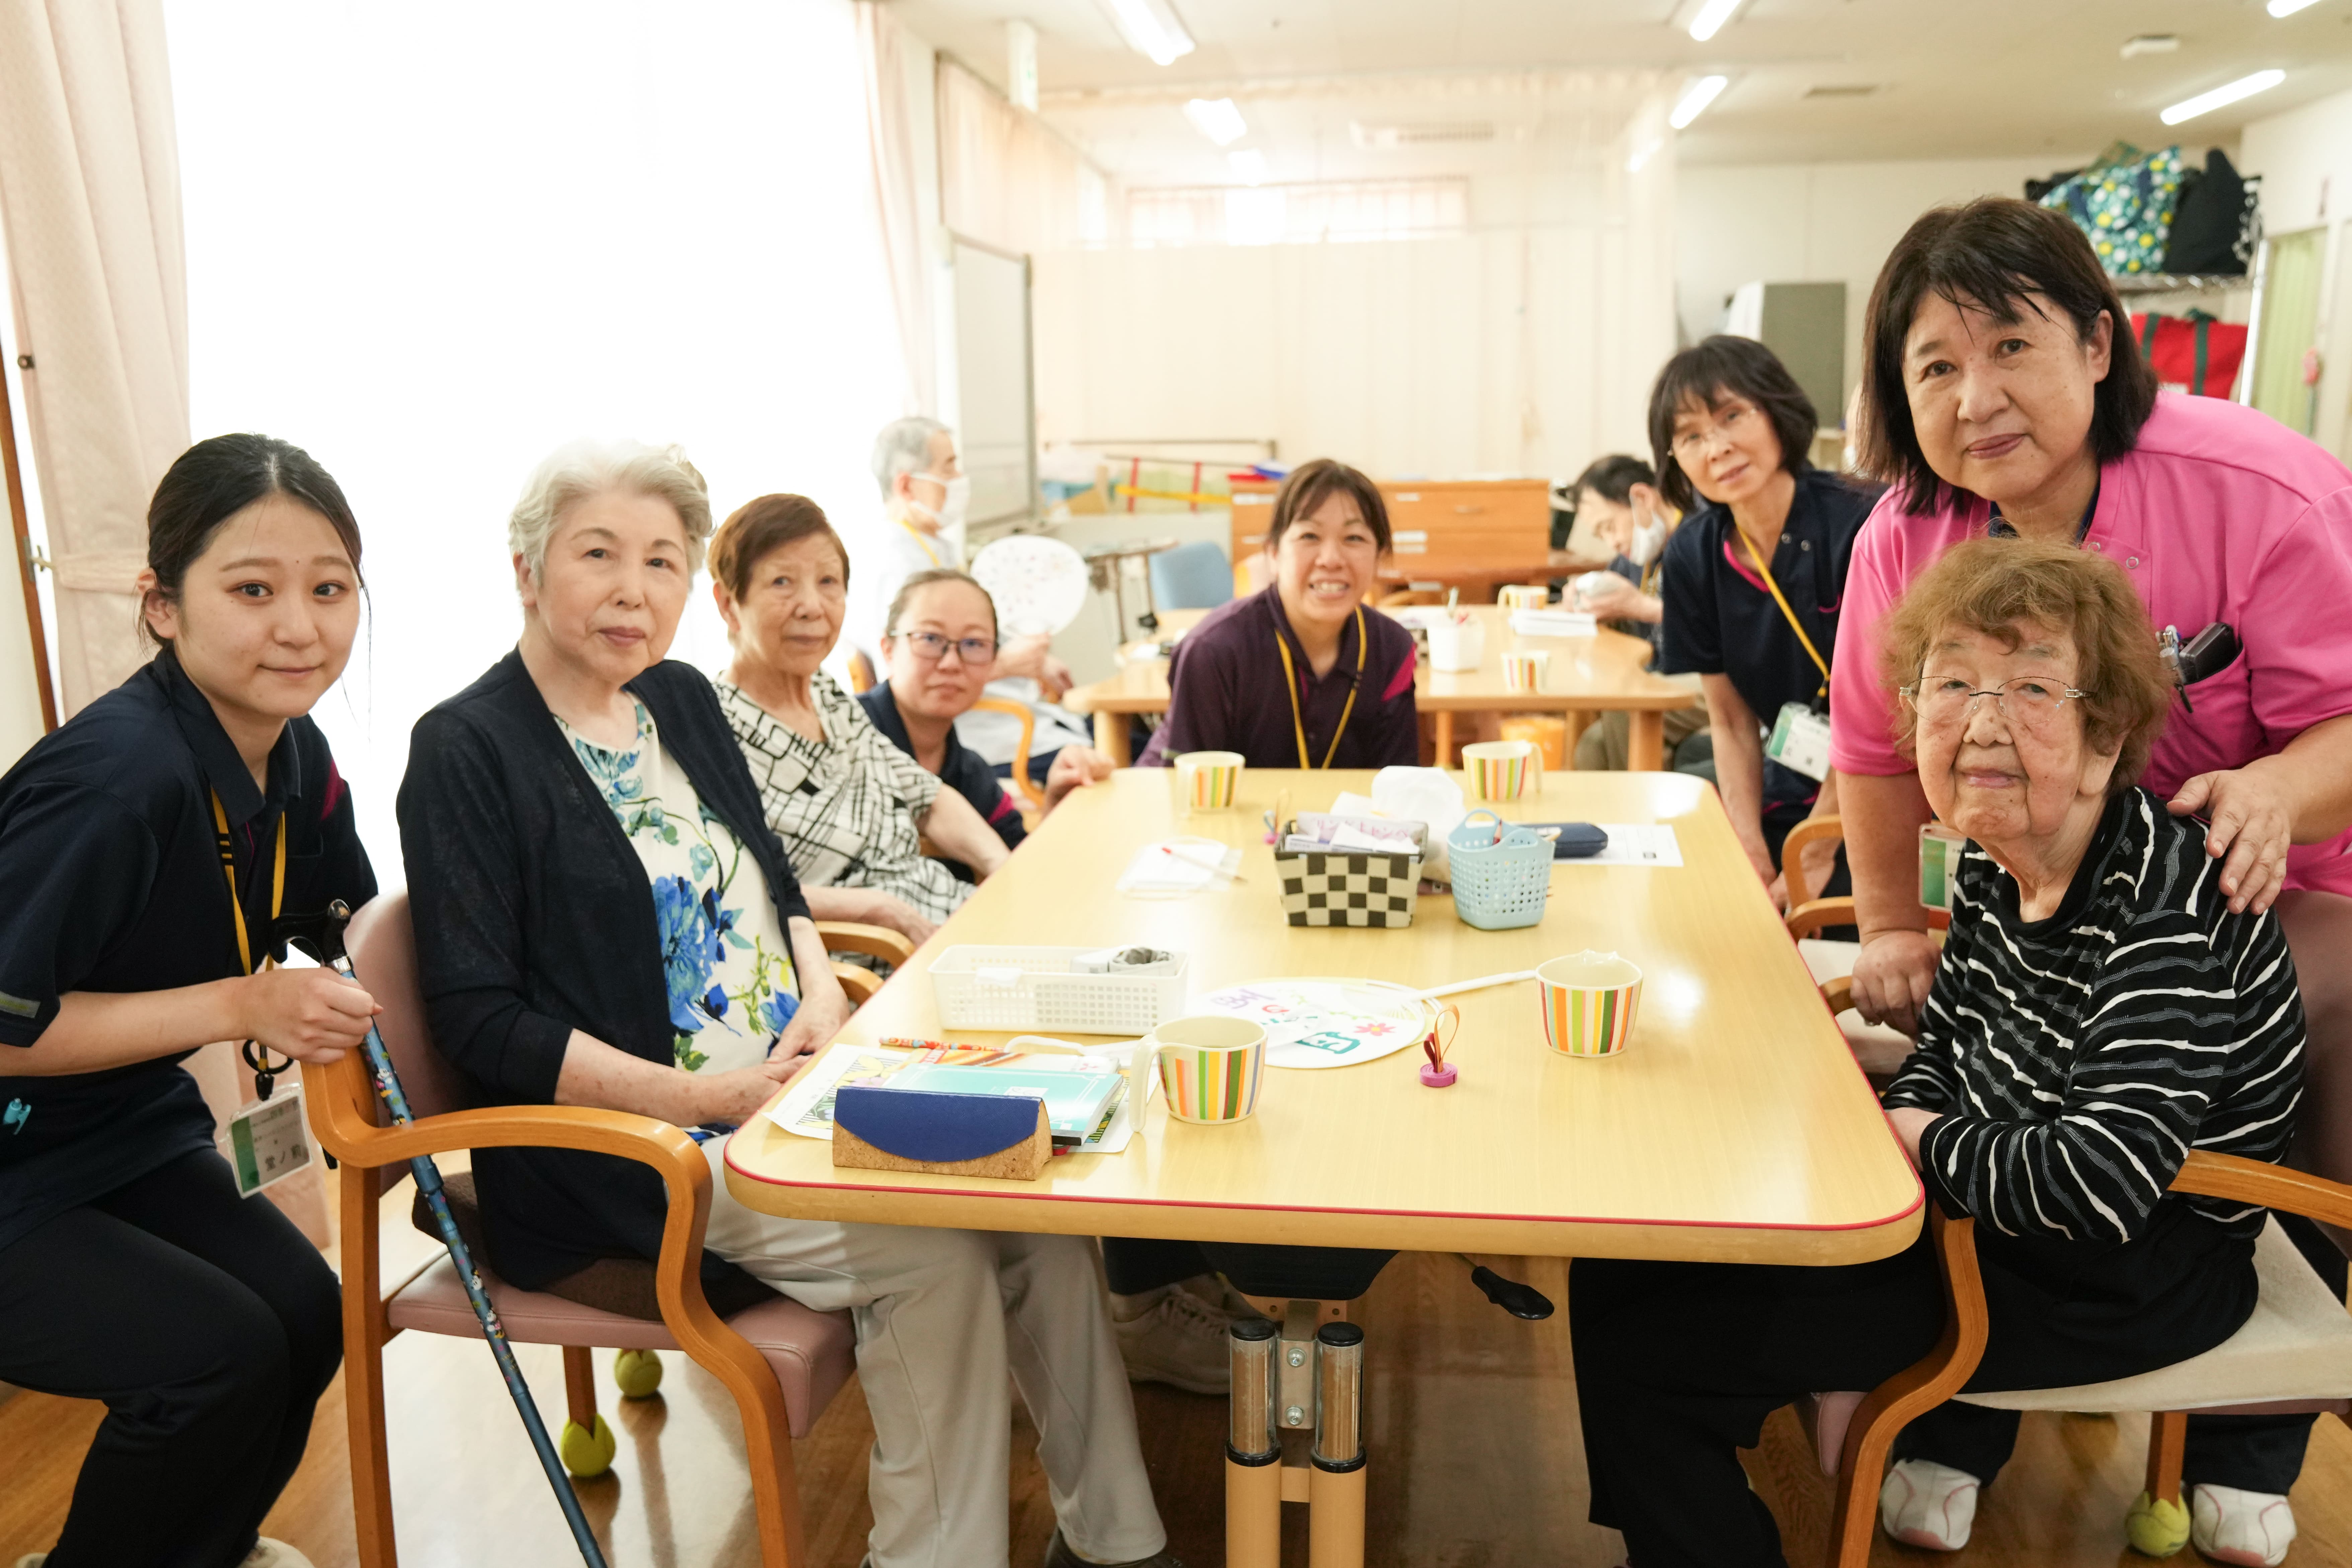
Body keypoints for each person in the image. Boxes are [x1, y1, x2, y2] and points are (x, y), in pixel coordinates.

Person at [399, 439, 1177, 1568]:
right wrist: (702, 1092)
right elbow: (481, 1019)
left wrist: (819, 993)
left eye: (661, 561)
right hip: (644, 1150)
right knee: (936, 1257)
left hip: (806, 1087)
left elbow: (769, 873)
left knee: (1040, 1217)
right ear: (527, 570)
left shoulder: (673, 699)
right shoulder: (466, 747)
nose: (633, 588)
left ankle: (1116, 1542)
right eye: (598, 555)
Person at [1571, 538, 2305, 1568]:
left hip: (2122, 1275)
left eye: (2031, 687)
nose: (1980, 722)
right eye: (1949, 685)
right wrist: (1915, 1125)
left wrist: (1914, 1140)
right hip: (1991, 1219)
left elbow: (2097, 1186)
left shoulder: (2163, 905)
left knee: (1647, 1352)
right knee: (1622, 1256)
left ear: (2105, 737)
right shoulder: (1995, 861)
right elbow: (1942, 1056)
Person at [1831, 195, 2352, 1561]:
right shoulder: (1905, 532)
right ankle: (1961, 1411)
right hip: (2049, 879)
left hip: (2278, 880)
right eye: (1934, 364)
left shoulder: (2259, 489)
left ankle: (2253, 1433)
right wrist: (1888, 921)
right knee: (1997, 1068)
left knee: (2275, 1109)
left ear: (2102, 345)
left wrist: (2272, 791)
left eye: (2011, 345)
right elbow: (1876, 749)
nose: (1975, 394)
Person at [0, 435, 379, 1568]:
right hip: (16, 1155)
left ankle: (205, 1554)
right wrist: (235, 1004)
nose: (299, 626)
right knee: (208, 1356)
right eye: (251, 589)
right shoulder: (116, 782)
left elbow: (345, 923)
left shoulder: (292, 750)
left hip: (112, 1132)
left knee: (306, 1317)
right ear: (162, 605)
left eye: (329, 588)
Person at [710, 493, 1016, 949]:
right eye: (781, 582)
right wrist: (880, 909)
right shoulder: (712, 729)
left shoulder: (830, 701)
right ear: (729, 603)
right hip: (870, 958)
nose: (812, 606)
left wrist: (1002, 868)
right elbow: (732, 887)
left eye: (828, 581)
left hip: (946, 923)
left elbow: (927, 795)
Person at [1652, 337, 1882, 910]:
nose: (1718, 447)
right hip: (1794, 780)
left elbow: (1882, 716)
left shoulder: (1862, 522)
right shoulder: (1691, 554)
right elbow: (1729, 723)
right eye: (1691, 435)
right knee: (1707, 889)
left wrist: (1815, 850)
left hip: (1888, 789)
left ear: (1777, 412)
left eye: (1732, 416)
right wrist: (1748, 846)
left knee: (1826, 924)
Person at [845, 417, 1093, 789]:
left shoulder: (928, 548)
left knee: (1127, 738)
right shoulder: (896, 567)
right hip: (982, 740)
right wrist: (1008, 663)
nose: (960, 478)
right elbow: (906, 681)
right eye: (948, 467)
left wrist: (1031, 659)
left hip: (1011, 720)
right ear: (907, 484)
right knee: (1127, 755)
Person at [1138, 457, 1418, 770]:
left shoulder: (1392, 649)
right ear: (1273, 553)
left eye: (1354, 538)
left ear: (1379, 555)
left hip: (1338, 819)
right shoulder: (1214, 650)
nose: (1331, 559)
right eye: (1309, 537)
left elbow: (1397, 786)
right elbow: (1187, 792)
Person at [858, 568, 1114, 872]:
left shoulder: (970, 772)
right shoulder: (842, 733)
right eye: (929, 639)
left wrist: (1054, 802)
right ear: (888, 649)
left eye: (974, 644)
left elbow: (1018, 867)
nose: (951, 662)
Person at [1564, 454, 1709, 773]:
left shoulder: (1701, 533)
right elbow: (1610, 589)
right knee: (1592, 744)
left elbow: (1723, 622)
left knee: (1626, 703)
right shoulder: (1638, 551)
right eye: (1601, 535)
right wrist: (1580, 594)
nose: (1612, 541)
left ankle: (1638, 817)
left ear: (1641, 498)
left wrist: (1641, 608)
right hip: (1664, 674)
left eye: (1610, 526)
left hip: (1717, 678)